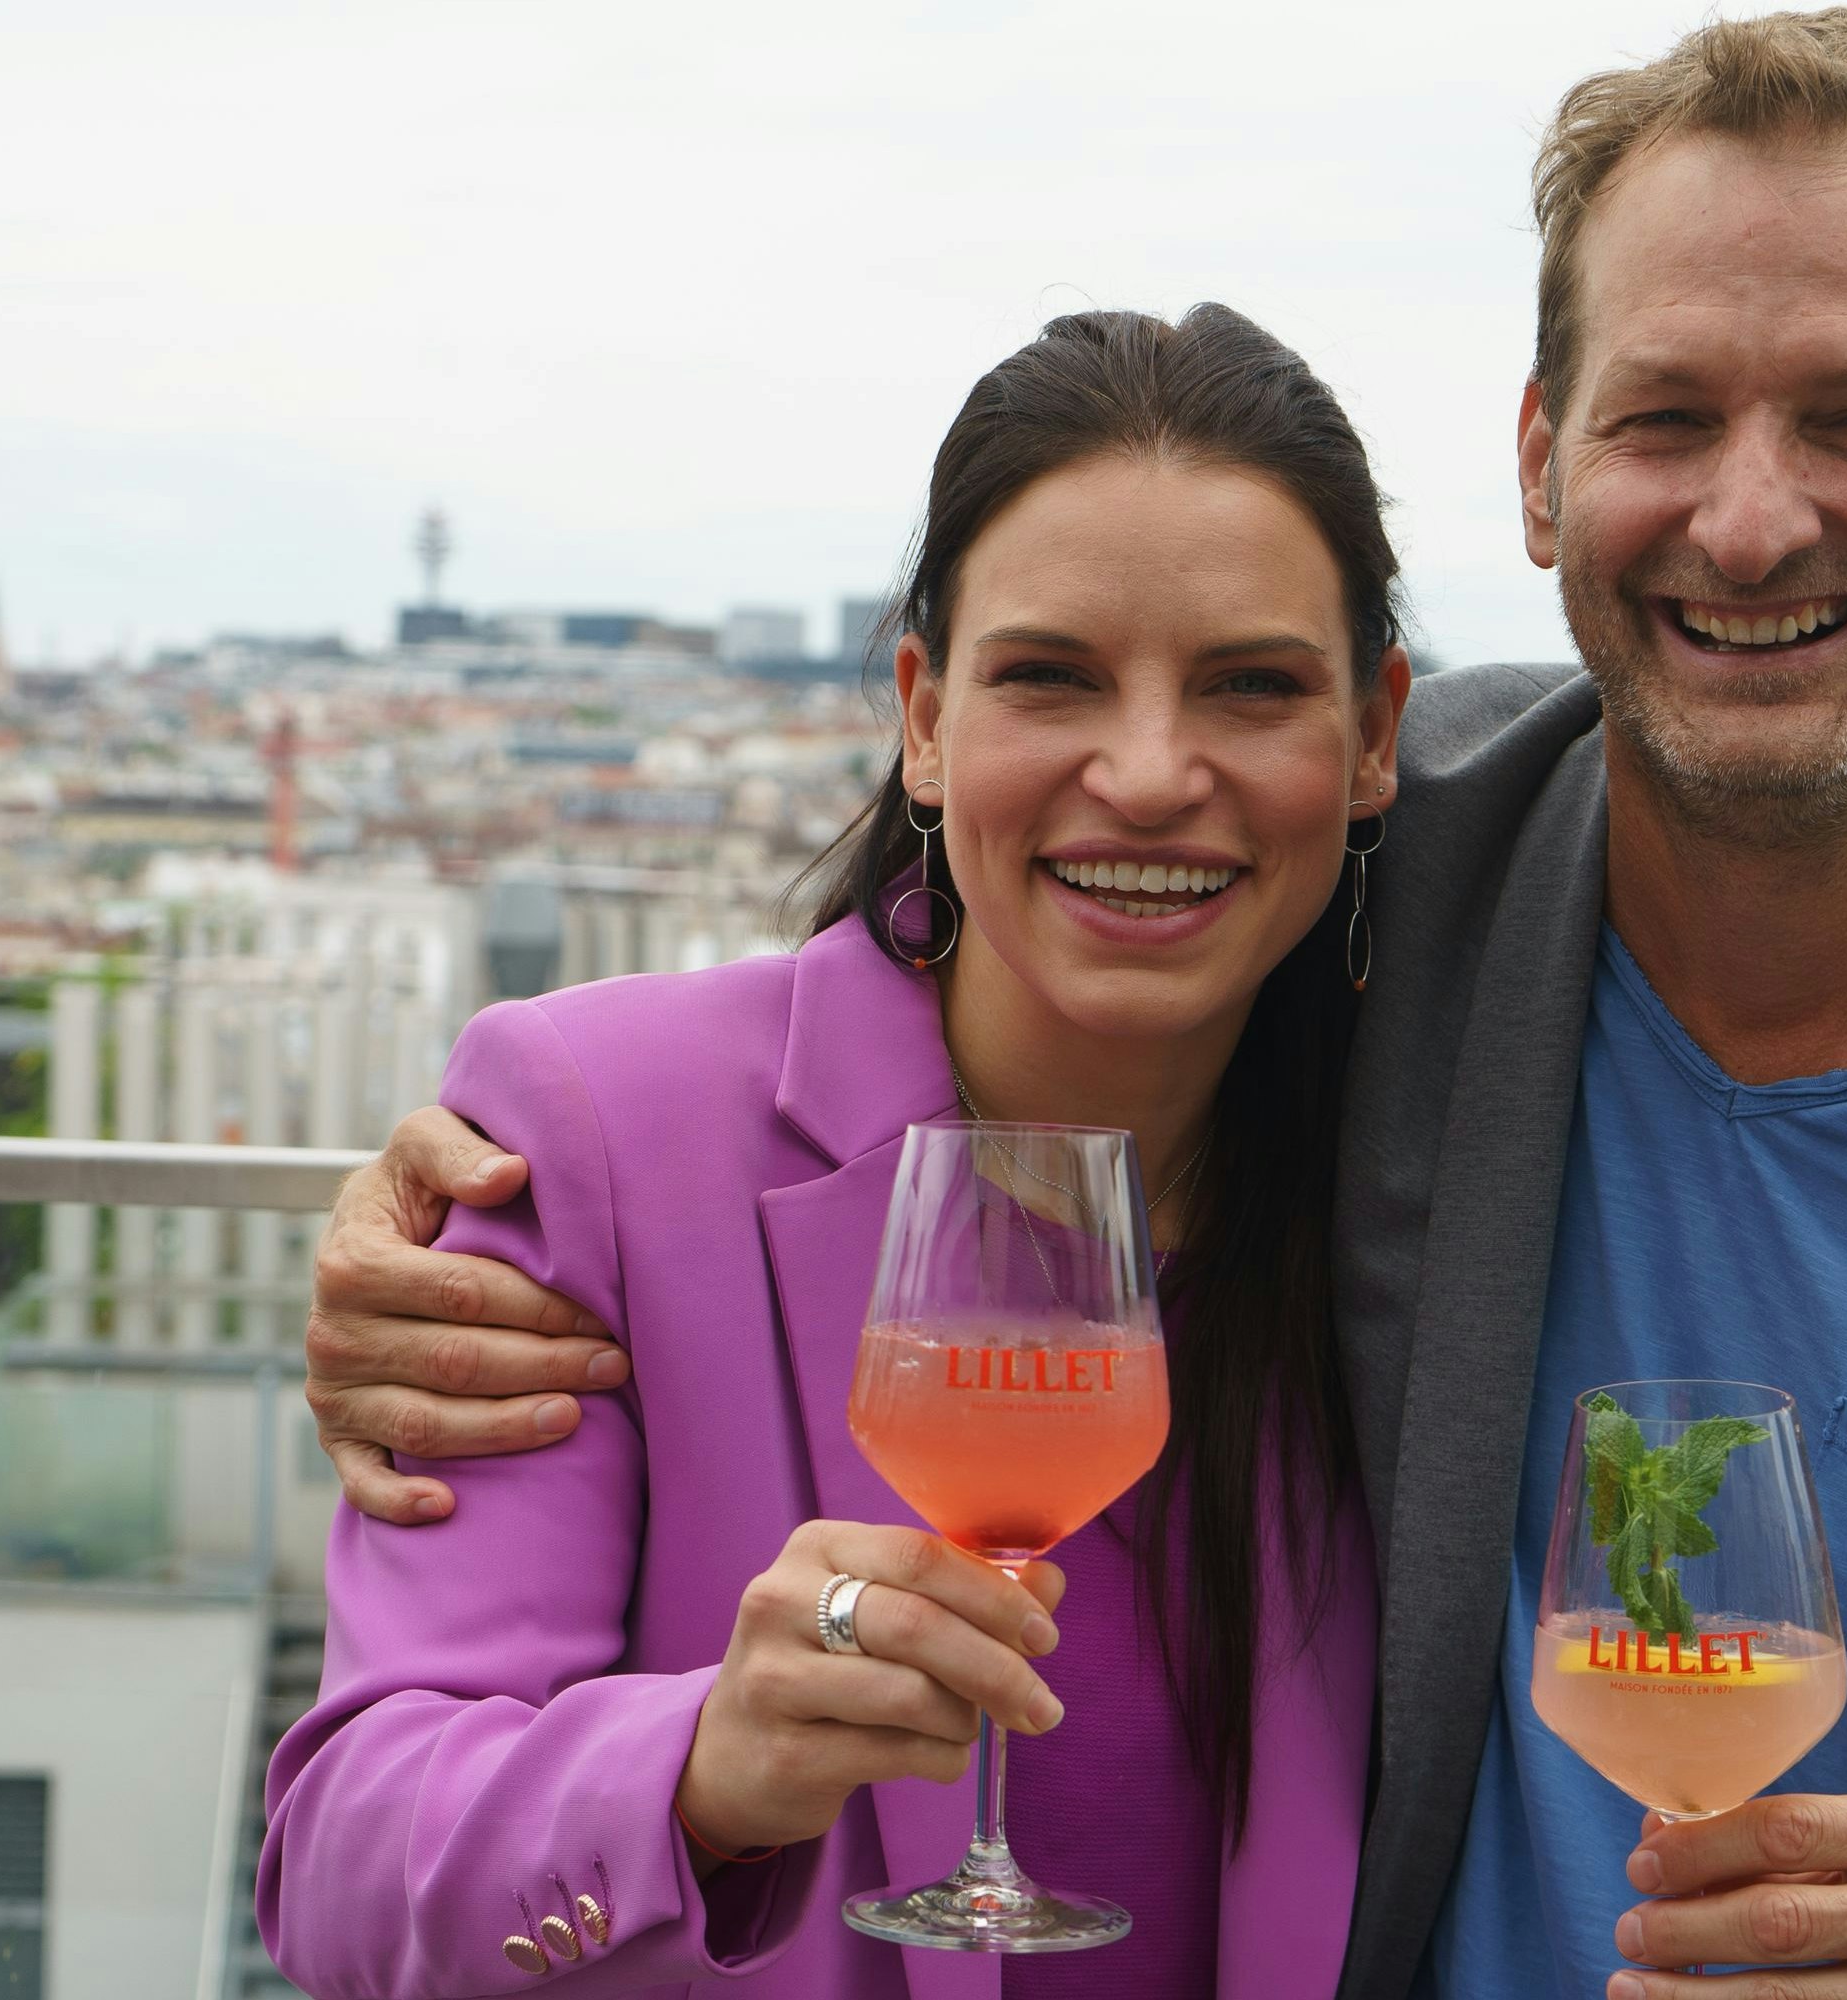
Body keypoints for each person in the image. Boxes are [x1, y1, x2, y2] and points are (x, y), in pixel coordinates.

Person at [301, 13, 1847, 1998]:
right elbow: (1038, 893)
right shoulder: (1348, 864)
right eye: (1661, 420)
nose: (1744, 521)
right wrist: (448, 1212)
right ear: (1541, 469)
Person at [254, 303, 1411, 1998]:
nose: (1154, 774)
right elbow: (341, 1875)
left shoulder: (1439, 1153)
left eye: (1252, 686)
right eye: (1050, 677)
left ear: (1375, 736)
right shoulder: (598, 1131)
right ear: (923, 717)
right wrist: (700, 1775)